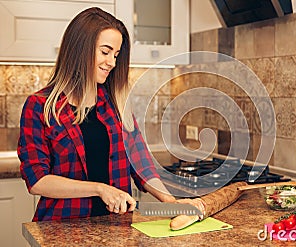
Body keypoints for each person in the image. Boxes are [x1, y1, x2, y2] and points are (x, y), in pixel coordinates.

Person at [18, 7, 185, 221]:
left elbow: (140, 164)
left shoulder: (117, 104)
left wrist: (170, 202)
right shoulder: (40, 106)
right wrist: (100, 189)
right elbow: (37, 181)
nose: (112, 63)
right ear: (79, 49)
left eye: (115, 55)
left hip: (118, 228)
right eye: (105, 52)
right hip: (62, 228)